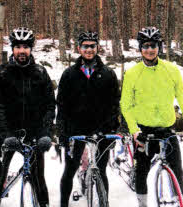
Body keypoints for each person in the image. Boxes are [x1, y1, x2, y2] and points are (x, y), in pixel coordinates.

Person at [120, 27, 183, 207]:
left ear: (159, 47)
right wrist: (134, 130)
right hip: (143, 132)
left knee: (178, 171)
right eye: (146, 46)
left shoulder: (171, 70)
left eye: (153, 45)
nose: (150, 50)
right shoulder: (132, 73)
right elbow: (126, 105)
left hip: (166, 129)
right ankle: (143, 204)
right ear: (140, 48)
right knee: (141, 172)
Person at [0, 27, 56, 207]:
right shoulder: (1, 73)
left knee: (39, 180)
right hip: (7, 133)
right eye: (18, 47)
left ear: (31, 49)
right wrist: (6, 133)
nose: (21, 51)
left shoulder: (41, 73)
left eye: (25, 47)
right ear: (12, 49)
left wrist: (45, 133)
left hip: (34, 134)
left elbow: (49, 105)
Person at [56, 31, 121, 207]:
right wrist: (62, 131)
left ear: (97, 47)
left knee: (101, 171)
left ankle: (103, 203)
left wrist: (113, 129)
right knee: (69, 171)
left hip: (101, 130)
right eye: (85, 46)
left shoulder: (108, 74)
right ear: (79, 48)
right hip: (75, 131)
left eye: (92, 46)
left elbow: (115, 103)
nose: (89, 49)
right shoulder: (69, 74)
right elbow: (61, 105)